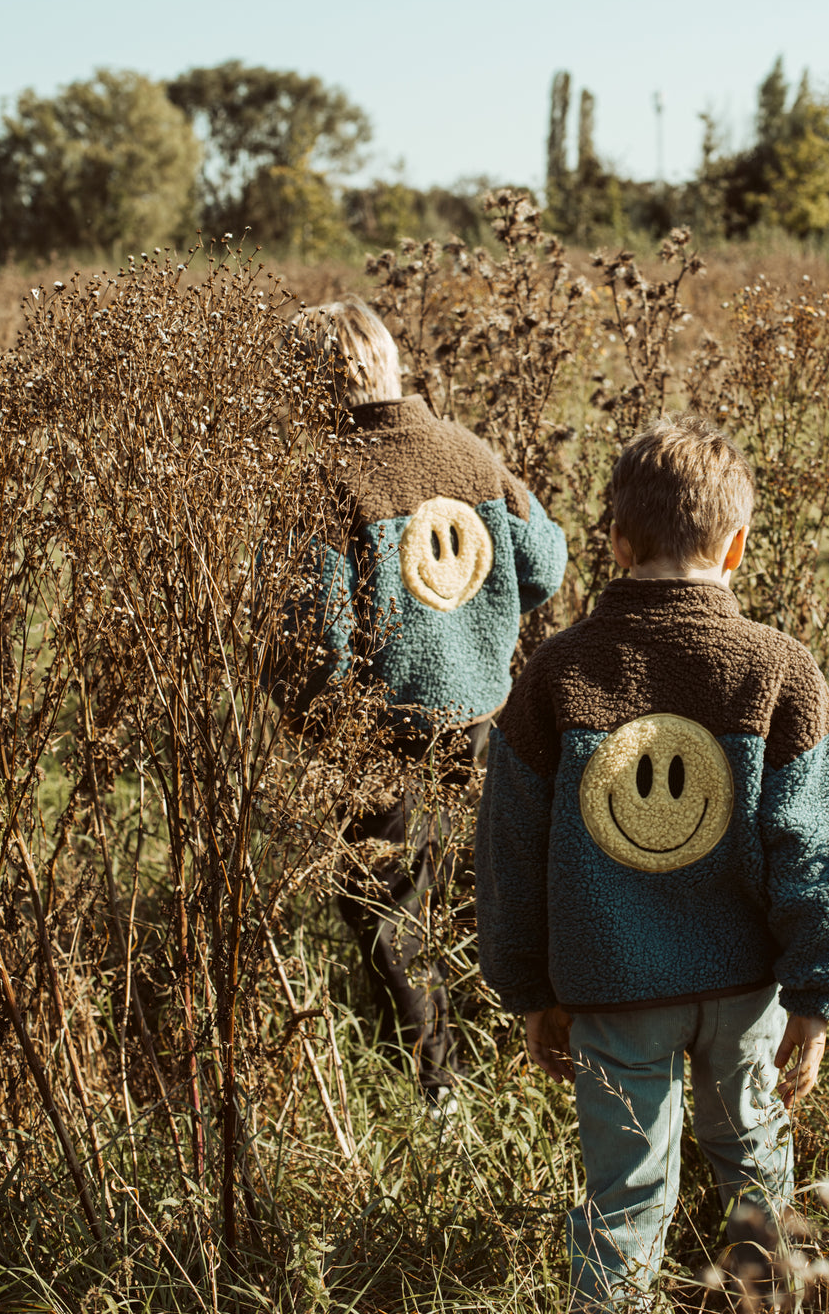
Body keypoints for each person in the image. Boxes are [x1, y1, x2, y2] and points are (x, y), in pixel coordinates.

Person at [475, 413, 829, 1307]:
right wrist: (818, 999)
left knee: (623, 1197)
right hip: (745, 992)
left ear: (617, 540)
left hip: (612, 990)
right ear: (736, 547)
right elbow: (828, 852)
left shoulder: (556, 673)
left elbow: (509, 851)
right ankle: (768, 1302)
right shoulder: (778, 670)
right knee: (755, 1177)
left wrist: (531, 989)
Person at [270, 297, 568, 1113]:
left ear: (306, 391)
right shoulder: (470, 455)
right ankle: (527, 1048)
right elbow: (545, 561)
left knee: (388, 912)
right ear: (393, 365)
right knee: (484, 890)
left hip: (379, 739)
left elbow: (317, 642)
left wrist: (302, 716)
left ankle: (437, 1089)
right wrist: (479, 619)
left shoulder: (327, 483)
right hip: (487, 721)